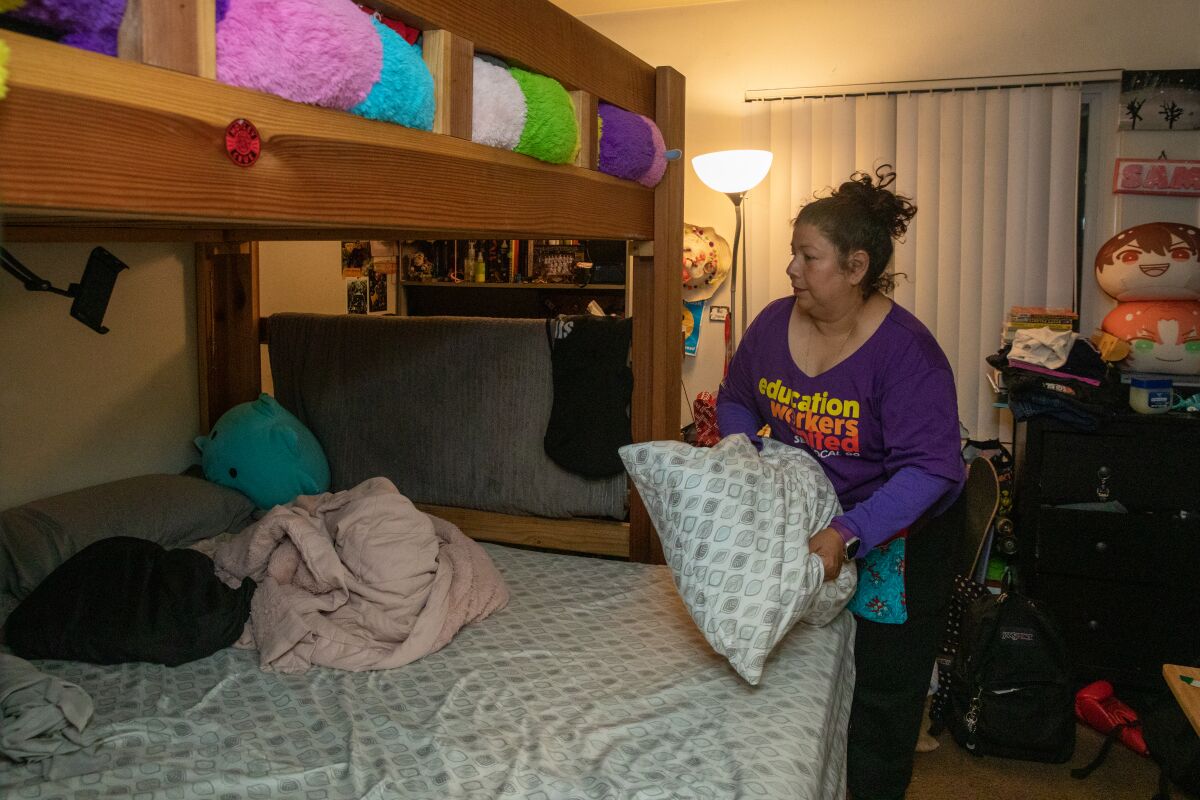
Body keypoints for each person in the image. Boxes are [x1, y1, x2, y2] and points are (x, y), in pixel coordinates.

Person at [716, 165, 965, 800]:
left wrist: (848, 531)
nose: (792, 269)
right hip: (811, 515)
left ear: (856, 268)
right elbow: (739, 398)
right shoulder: (773, 324)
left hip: (898, 532)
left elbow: (932, 469)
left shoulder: (907, 352)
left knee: (880, 690)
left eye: (809, 256)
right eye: (792, 254)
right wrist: (741, 455)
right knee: (802, 665)